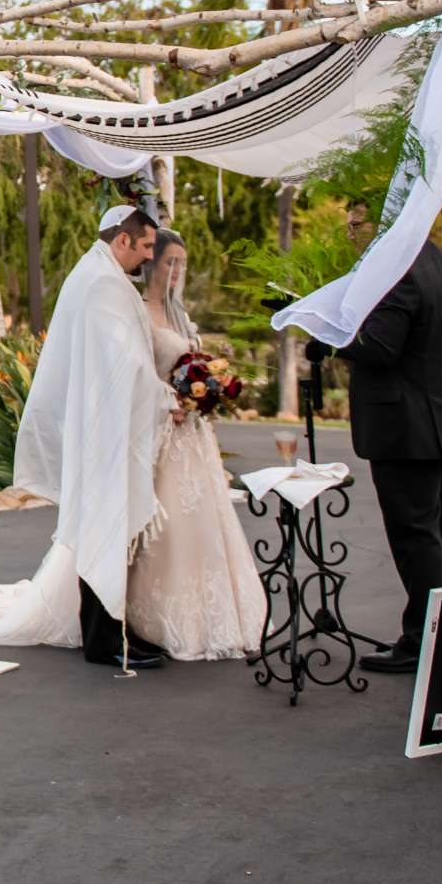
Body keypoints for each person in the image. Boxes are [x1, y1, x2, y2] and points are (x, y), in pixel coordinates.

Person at [0, 205, 181, 670]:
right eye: (147, 245)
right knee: (104, 530)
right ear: (123, 240)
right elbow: (122, 363)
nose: (151, 255)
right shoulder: (101, 285)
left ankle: (113, 630)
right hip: (103, 434)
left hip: (106, 428)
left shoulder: (100, 274)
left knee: (110, 530)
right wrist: (164, 396)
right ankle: (104, 639)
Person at [332, 236, 442, 674]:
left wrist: (329, 335)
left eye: (359, 222)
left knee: (415, 538)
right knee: (438, 534)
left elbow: (380, 348)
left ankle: (423, 641)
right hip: (440, 423)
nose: (355, 231)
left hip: (409, 428)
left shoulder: (400, 272)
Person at [122, 230, 267, 659]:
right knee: (167, 524)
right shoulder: (140, 312)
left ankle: (218, 613)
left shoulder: (180, 315)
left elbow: (193, 364)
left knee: (205, 522)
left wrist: (210, 387)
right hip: (163, 431)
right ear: (152, 264)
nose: (177, 271)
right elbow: (139, 372)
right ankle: (152, 613)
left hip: (193, 434)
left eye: (182, 264)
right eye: (170, 262)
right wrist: (171, 399)